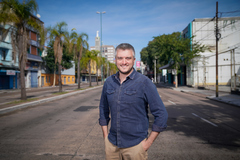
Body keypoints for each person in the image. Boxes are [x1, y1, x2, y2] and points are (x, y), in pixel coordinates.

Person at [99, 43, 168, 160]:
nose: (124, 62)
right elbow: (103, 110)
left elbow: (161, 114)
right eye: (120, 58)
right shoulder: (109, 82)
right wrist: (106, 137)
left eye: (128, 58)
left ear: (134, 60)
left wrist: (147, 144)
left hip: (136, 147)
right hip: (112, 146)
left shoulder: (144, 82)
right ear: (115, 60)